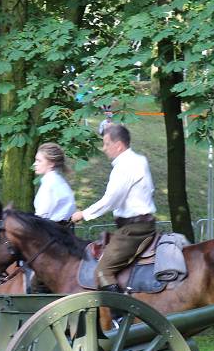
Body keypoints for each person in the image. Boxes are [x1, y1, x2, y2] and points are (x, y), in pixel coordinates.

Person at [71, 125, 156, 293]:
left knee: (102, 272)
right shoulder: (139, 159)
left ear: (118, 146)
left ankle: (120, 309)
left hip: (134, 230)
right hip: (140, 225)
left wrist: (83, 214)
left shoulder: (125, 166)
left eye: (106, 144)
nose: (104, 148)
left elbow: (111, 200)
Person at [33, 142, 76, 226]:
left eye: (39, 161)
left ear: (51, 164)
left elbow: (42, 215)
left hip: (51, 231)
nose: (35, 164)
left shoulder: (50, 184)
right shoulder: (56, 181)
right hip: (60, 229)